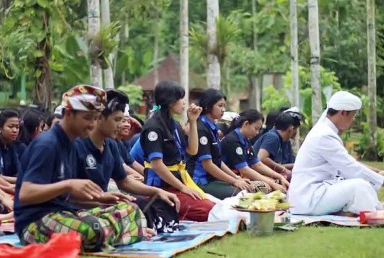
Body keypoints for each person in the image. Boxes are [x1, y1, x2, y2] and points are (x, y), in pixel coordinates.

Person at [14, 85, 151, 251]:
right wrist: (69, 185)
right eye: (88, 118)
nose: (92, 124)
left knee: (131, 210)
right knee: (92, 229)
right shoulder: (48, 144)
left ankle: (111, 234)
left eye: (95, 118)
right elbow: (26, 194)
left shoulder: (70, 144)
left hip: (65, 214)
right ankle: (119, 233)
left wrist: (101, 199)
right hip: (36, 223)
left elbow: (67, 198)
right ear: (69, 114)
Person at [74, 89, 180, 233]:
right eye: (117, 120)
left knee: (158, 203)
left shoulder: (110, 144)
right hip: (82, 210)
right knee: (107, 223)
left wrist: (157, 191)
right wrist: (104, 200)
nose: (121, 125)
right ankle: (135, 230)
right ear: (99, 118)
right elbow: (69, 196)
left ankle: (137, 229)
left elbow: (124, 181)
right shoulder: (77, 145)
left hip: (106, 206)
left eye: (123, 120)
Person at [288, 91, 384, 215]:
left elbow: (348, 163)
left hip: (313, 195)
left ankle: (370, 212)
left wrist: (377, 173)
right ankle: (373, 216)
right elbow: (351, 168)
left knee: (363, 185)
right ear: (343, 113)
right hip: (309, 198)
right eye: (353, 116)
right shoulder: (324, 135)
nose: (352, 121)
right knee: (360, 186)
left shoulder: (325, 131)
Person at [140, 81, 215, 222]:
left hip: (177, 183)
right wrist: (183, 188)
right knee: (208, 210)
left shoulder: (173, 124)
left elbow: (192, 150)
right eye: (181, 98)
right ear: (170, 101)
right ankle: (166, 213)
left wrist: (193, 122)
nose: (184, 103)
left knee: (213, 205)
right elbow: (157, 165)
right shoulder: (154, 127)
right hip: (161, 188)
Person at [186, 89, 253, 199]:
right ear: (208, 106)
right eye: (220, 106)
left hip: (211, 179)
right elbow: (207, 165)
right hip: (200, 181)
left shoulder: (212, 127)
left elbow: (217, 161)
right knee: (241, 194)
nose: (223, 110)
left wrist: (237, 178)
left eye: (224, 106)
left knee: (249, 187)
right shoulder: (201, 128)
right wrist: (234, 181)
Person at [220, 109, 288, 193]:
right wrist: (271, 183)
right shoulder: (232, 140)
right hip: (227, 178)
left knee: (273, 182)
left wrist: (279, 177)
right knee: (265, 187)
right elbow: (244, 170)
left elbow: (257, 164)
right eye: (256, 128)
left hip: (239, 177)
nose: (257, 133)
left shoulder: (245, 140)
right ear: (246, 124)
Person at [253, 111, 301, 179]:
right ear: (290, 129)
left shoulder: (282, 140)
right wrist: (283, 169)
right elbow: (262, 158)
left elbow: (280, 164)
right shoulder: (273, 137)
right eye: (295, 129)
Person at [0, 109, 26, 184]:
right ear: (0, 128)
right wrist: (24, 181)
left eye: (17, 127)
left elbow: (17, 171)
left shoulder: (11, 145)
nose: (15, 130)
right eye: (11, 126)